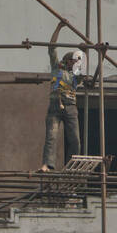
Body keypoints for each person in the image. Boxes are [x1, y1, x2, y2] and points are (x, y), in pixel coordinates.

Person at [40, 22, 96, 172]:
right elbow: (52, 47)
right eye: (73, 60)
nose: (75, 63)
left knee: (75, 140)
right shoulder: (57, 68)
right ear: (66, 60)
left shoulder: (75, 76)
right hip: (55, 104)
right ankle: (47, 165)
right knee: (51, 136)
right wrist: (59, 27)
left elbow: (83, 72)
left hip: (71, 106)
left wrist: (84, 52)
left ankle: (71, 168)